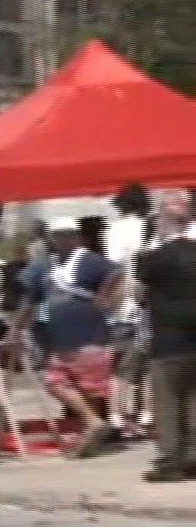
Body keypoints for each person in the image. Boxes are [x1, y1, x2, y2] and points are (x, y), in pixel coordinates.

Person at [14, 217, 121, 457]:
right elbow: (30, 298)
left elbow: (116, 272)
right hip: (61, 337)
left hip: (88, 333)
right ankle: (92, 424)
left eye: (67, 235)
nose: (62, 240)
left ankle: (91, 427)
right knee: (59, 382)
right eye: (57, 235)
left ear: (77, 237)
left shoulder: (89, 260)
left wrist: (104, 298)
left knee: (86, 387)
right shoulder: (47, 265)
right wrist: (16, 327)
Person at [134, 190, 196, 483]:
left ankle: (171, 461)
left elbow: (139, 295)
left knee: (168, 400)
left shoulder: (151, 258)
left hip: (169, 338)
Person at [108, 183, 154, 438]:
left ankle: (117, 414)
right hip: (151, 303)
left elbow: (114, 268)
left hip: (125, 305)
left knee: (122, 366)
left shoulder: (116, 230)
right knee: (149, 364)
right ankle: (147, 413)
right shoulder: (150, 228)